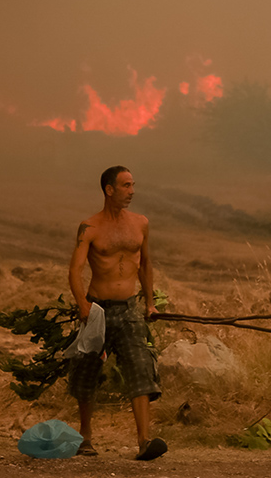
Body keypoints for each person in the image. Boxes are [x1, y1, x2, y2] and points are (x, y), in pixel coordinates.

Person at [67, 165, 167, 461]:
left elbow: (146, 264)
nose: (132, 191)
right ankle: (85, 438)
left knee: (140, 367)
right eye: (125, 186)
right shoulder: (90, 227)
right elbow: (75, 270)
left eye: (133, 185)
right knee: (87, 372)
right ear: (109, 189)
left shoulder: (141, 223)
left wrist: (149, 303)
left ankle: (144, 441)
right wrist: (83, 306)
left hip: (129, 308)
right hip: (97, 310)